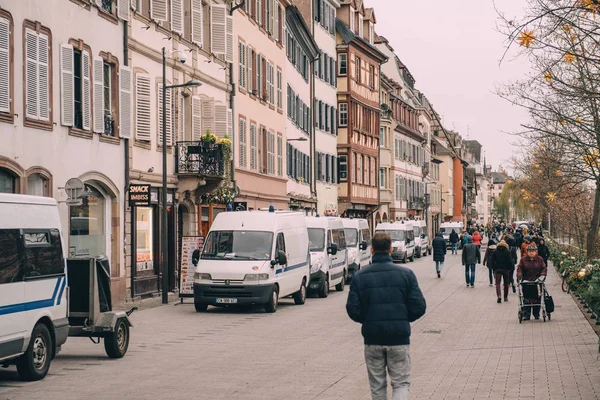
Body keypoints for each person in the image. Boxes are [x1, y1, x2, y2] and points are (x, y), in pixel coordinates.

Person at [346, 232, 427, 400]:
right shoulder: (406, 275)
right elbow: (419, 307)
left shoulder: (360, 277)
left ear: (371, 250)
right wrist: (403, 318)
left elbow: (352, 309)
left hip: (373, 337)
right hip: (399, 337)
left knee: (377, 387)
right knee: (401, 383)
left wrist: (368, 318)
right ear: (391, 249)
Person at [517, 244, 547, 320]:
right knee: (526, 298)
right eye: (529, 251)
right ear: (527, 252)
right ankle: (526, 314)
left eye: (533, 251)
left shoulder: (539, 259)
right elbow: (519, 268)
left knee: (537, 298)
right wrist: (519, 275)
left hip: (537, 282)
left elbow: (544, 268)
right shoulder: (523, 260)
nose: (531, 253)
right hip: (526, 282)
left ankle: (536, 314)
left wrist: (542, 276)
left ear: (536, 252)